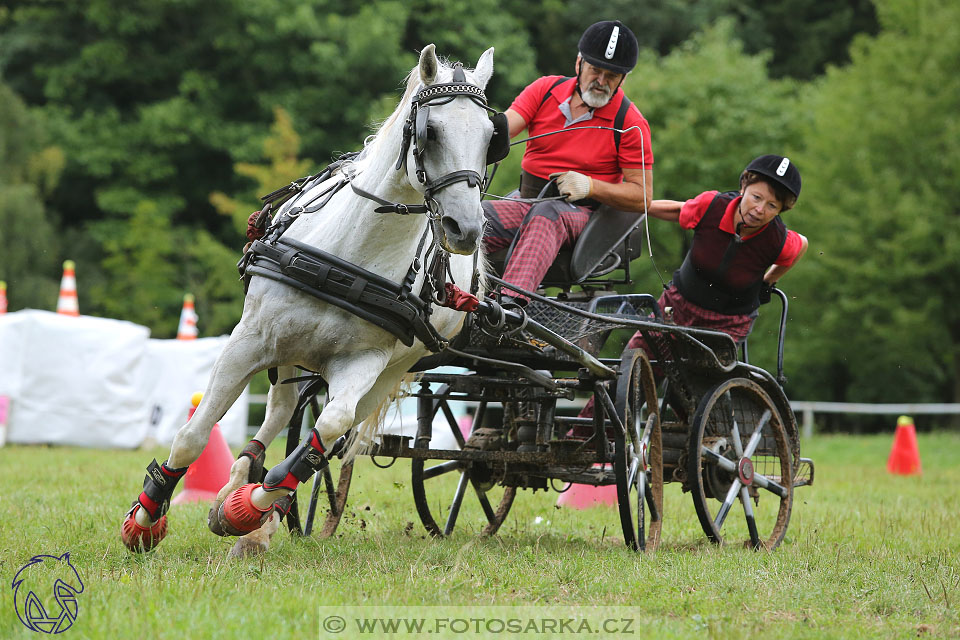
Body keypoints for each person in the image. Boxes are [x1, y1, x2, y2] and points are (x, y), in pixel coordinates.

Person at [482, 20, 653, 300]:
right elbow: (499, 134)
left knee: (548, 215)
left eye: (611, 75)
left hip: (585, 215)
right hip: (529, 201)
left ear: (623, 78)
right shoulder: (544, 90)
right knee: (471, 219)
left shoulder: (631, 123)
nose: (601, 81)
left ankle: (509, 307)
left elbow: (642, 196)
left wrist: (591, 186)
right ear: (579, 64)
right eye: (595, 70)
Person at [633, 153, 808, 347]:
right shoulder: (712, 206)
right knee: (638, 350)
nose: (760, 209)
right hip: (678, 304)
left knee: (701, 373)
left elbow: (803, 243)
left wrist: (768, 281)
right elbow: (678, 210)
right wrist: (636, 207)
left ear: (780, 210)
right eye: (756, 197)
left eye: (772, 205)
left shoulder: (777, 239)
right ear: (743, 187)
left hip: (728, 324)